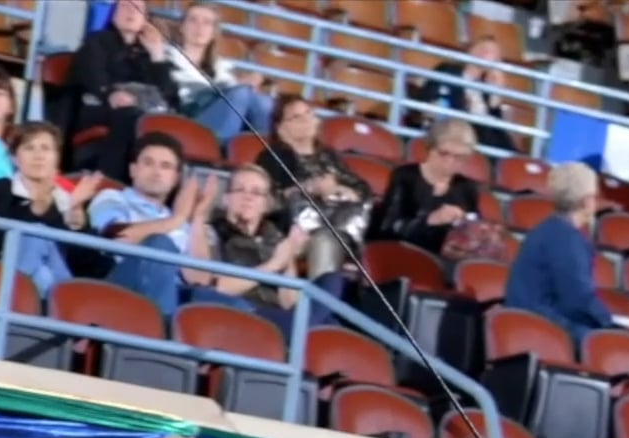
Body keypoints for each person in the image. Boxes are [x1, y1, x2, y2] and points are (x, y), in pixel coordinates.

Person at [91, 133, 244, 316]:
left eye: (166, 166)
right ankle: (160, 334)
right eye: (148, 163)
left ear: (176, 178)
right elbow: (116, 239)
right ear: (133, 169)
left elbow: (199, 279)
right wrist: (177, 220)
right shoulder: (112, 197)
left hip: (175, 295)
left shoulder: (180, 221)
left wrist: (197, 218)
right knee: (160, 245)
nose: (157, 172)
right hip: (124, 285)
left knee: (238, 307)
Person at [203, 164, 350, 337]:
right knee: (325, 326)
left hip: (282, 315)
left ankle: (309, 332)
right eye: (240, 190)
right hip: (245, 310)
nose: (248, 197)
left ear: (266, 204)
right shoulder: (212, 232)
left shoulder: (275, 237)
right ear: (226, 199)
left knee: (332, 280)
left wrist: (288, 259)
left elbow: (289, 302)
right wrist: (273, 265)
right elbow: (215, 288)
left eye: (256, 193)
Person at [0, 122, 111, 295]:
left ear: (57, 157)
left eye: (46, 148)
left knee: (45, 267)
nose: (38, 156)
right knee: (40, 259)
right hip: (4, 272)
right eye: (29, 148)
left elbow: (89, 267)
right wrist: (37, 209)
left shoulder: (68, 200)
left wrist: (76, 214)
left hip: (60, 277)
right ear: (15, 158)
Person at [504, 162, 619, 345]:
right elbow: (578, 298)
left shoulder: (547, 230)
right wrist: (609, 325)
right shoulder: (567, 239)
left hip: (535, 320)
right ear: (586, 201)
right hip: (544, 327)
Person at [261, 95, 373, 278]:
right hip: (294, 234)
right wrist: (311, 188)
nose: (307, 119)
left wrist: (347, 191)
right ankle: (319, 304)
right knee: (325, 241)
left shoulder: (329, 156)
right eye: (297, 117)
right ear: (281, 128)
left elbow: (362, 188)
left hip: (342, 226)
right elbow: (271, 200)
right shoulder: (274, 157)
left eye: (309, 113)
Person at [68, 0, 180, 182]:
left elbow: (168, 94)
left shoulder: (148, 53)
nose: (131, 12)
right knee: (129, 115)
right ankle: (110, 181)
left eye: (138, 8)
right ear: (113, 13)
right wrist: (110, 94)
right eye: (125, 6)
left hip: (139, 111)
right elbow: (92, 75)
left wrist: (157, 55)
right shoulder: (98, 41)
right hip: (100, 106)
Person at [368, 118, 482, 257]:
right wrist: (430, 220)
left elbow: (474, 236)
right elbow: (387, 228)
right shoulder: (406, 176)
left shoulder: (467, 188)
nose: (449, 161)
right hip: (401, 255)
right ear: (430, 148)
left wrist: (463, 226)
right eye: (443, 153)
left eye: (459, 157)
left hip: (445, 261)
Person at [167, 3, 275, 142]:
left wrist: (248, 83)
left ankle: (264, 153)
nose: (199, 27)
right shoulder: (167, 57)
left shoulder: (221, 67)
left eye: (207, 23)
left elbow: (231, 94)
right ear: (182, 27)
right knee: (241, 93)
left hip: (220, 117)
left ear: (213, 32)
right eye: (193, 20)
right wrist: (237, 85)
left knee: (263, 101)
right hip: (187, 115)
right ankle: (220, 151)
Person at [410, 35, 517, 153]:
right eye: (485, 49)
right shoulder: (448, 71)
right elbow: (433, 102)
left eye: (495, 55)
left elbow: (498, 132)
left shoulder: (486, 90)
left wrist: (495, 98)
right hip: (451, 134)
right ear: (471, 50)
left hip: (480, 143)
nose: (488, 55)